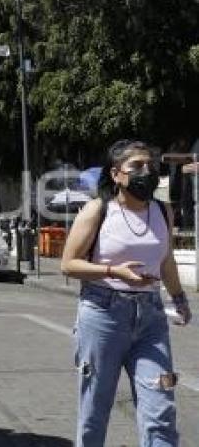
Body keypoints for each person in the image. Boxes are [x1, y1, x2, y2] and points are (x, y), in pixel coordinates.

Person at [61, 140, 190, 447]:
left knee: (161, 409)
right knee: (94, 411)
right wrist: (112, 271)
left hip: (151, 317)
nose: (147, 172)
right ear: (117, 174)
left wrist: (179, 297)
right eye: (137, 167)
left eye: (150, 165)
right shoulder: (98, 210)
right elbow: (68, 264)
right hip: (103, 314)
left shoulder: (163, 211)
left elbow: (166, 258)